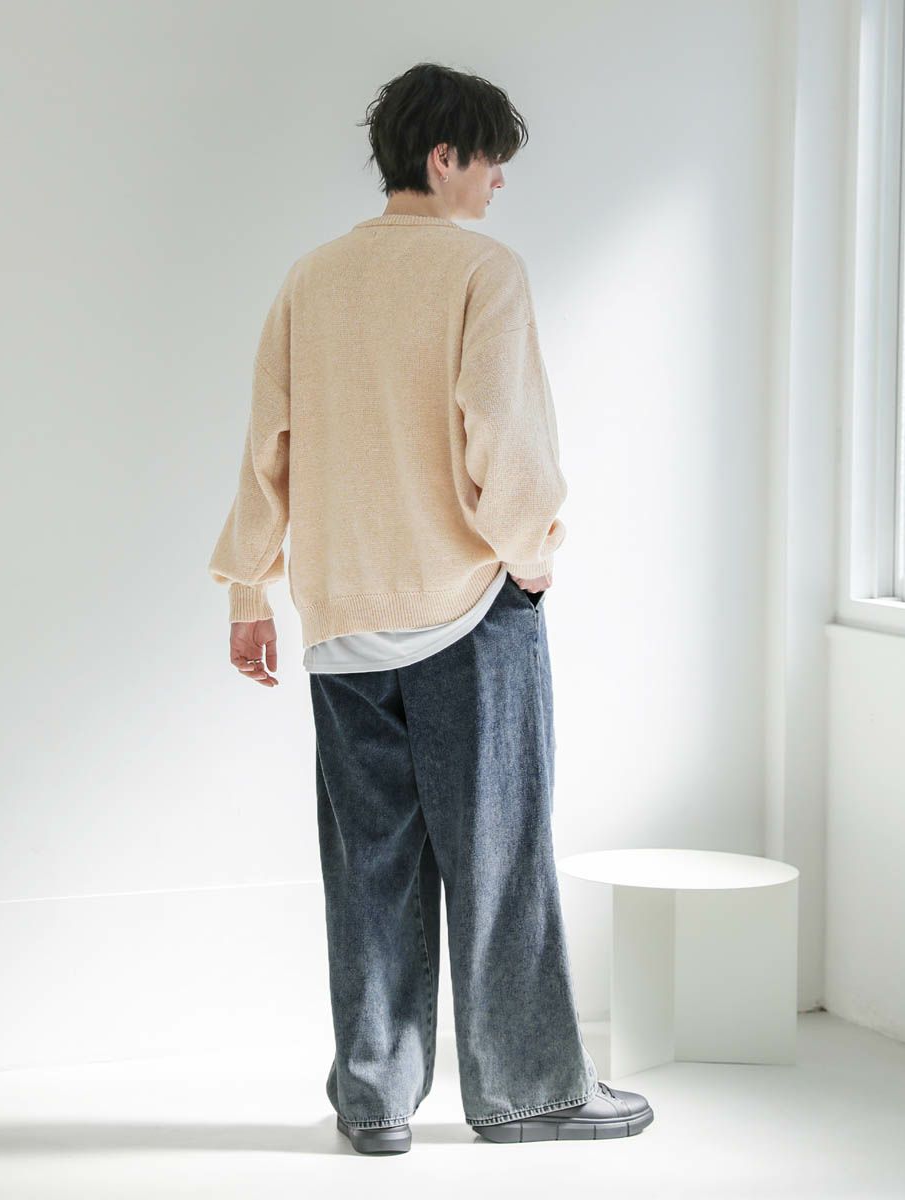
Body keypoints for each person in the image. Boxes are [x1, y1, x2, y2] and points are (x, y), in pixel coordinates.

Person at [207, 61, 654, 1155]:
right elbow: (503, 429)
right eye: (490, 158)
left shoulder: (312, 278)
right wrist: (532, 552)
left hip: (343, 623)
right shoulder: (481, 271)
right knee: (498, 862)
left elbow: (269, 445)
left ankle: (374, 1101)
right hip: (467, 613)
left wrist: (248, 591)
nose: (499, 180)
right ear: (443, 156)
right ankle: (530, 1096)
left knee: (370, 872)